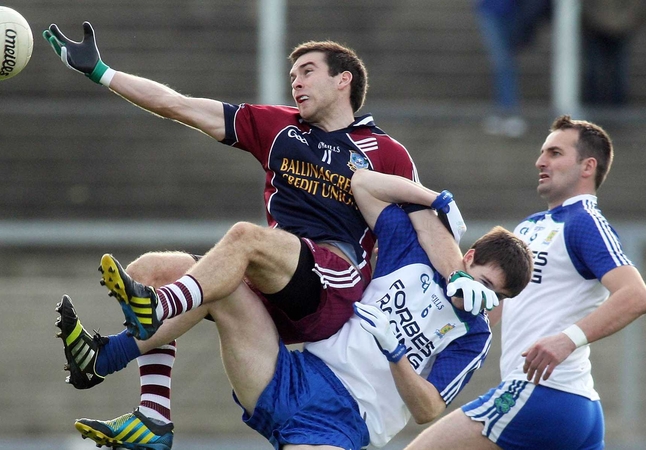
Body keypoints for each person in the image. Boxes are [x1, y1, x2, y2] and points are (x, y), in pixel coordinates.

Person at [43, 21, 432, 446]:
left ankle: (125, 339)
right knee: (153, 268)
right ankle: (152, 417)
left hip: (332, 284)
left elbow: (423, 231)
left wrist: (461, 282)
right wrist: (101, 71)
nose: (296, 83)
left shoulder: (387, 153)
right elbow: (178, 105)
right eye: (292, 77)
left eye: (307, 71)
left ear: (344, 80)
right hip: (274, 278)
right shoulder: (278, 127)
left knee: (245, 239)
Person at [59, 168, 534, 449]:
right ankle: (118, 375)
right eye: (482, 280)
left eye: (496, 295)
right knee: (184, 271)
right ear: (468, 256)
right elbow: (364, 184)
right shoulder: (414, 252)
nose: (483, 296)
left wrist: (396, 356)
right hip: (293, 372)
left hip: (346, 421)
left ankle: (115, 367)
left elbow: (429, 409)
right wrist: (432, 199)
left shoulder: (474, 334)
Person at [404, 115, 646, 450]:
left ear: (587, 166)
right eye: (542, 152)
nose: (541, 161)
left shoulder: (584, 221)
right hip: (571, 408)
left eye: (555, 153)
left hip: (542, 393)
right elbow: (493, 306)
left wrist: (567, 340)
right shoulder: (531, 227)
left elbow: (636, 295)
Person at [473, 0, 550, 138]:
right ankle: (507, 110)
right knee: (502, 62)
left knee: (505, 62)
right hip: (491, 10)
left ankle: (506, 110)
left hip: (513, 10)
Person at [582, 0, 646, 106]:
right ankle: (595, 103)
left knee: (619, 70)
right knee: (595, 69)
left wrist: (624, 22)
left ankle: (617, 103)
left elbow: (638, 6)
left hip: (620, 29)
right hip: (596, 28)